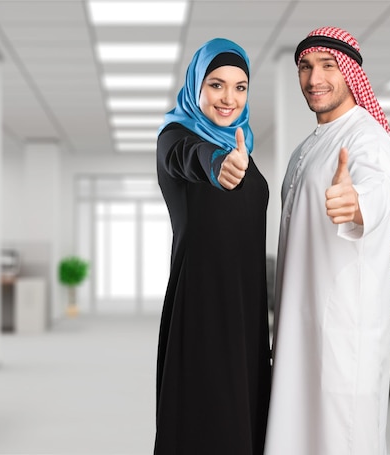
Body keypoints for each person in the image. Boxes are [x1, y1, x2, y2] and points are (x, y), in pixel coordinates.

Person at [264, 26, 390, 455]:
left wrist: (354, 204)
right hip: (300, 326)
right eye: (305, 67)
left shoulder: (367, 139)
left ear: (350, 73)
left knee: (341, 440)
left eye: (328, 66)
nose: (314, 78)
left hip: (342, 333)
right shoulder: (304, 150)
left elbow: (371, 191)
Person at [154, 37, 271, 454]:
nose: (229, 98)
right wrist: (217, 163)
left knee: (246, 419)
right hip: (203, 304)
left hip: (247, 307)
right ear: (195, 87)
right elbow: (188, 156)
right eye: (216, 84)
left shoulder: (243, 147)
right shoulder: (175, 136)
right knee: (208, 422)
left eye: (240, 87)